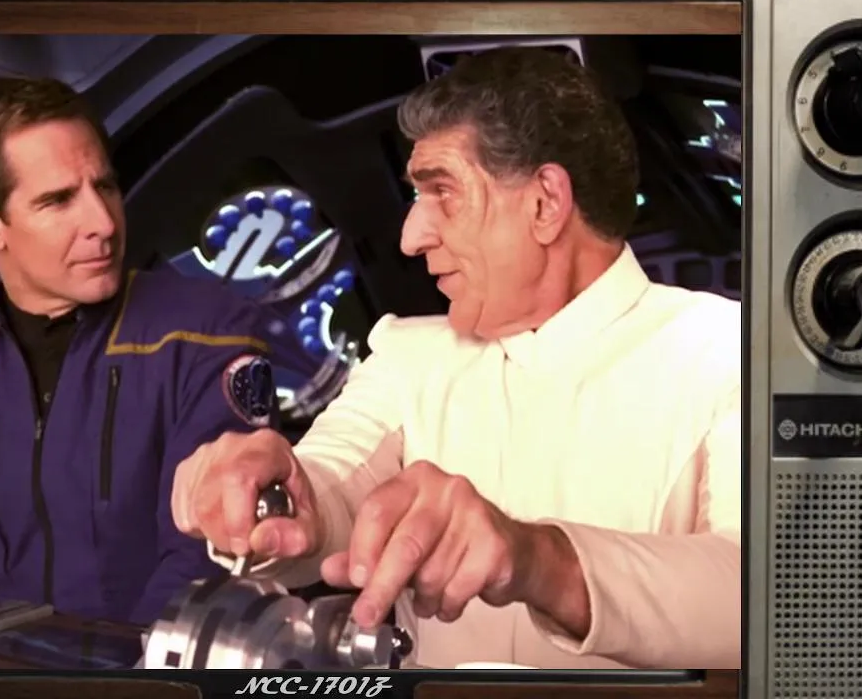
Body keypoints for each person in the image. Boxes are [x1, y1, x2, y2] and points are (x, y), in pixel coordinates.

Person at [170, 47, 740, 670]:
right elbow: (332, 481)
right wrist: (273, 494)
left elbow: (760, 590)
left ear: (545, 203)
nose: (411, 237)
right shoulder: (409, 355)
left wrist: (537, 560)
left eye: (442, 191)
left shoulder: (727, 352)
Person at [0, 77, 282, 628]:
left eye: (106, 186)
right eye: (59, 200)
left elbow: (206, 565)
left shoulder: (210, 333)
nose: (103, 223)